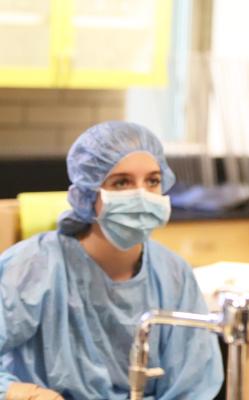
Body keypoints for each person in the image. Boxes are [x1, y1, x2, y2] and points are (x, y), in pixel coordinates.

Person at [0, 121, 223, 399]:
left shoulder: (173, 274)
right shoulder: (33, 265)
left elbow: (195, 384)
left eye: (152, 181)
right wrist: (20, 392)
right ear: (88, 194)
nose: (141, 195)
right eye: (121, 183)